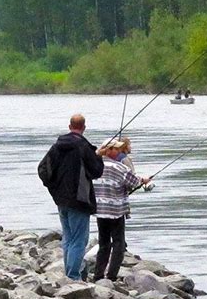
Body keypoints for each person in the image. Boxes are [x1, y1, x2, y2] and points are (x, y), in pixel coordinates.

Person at [38, 114, 104, 281]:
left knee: (68, 237)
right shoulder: (83, 147)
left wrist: (54, 188)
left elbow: (42, 169)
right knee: (79, 240)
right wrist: (98, 156)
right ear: (84, 127)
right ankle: (73, 276)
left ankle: (69, 274)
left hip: (61, 200)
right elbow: (97, 171)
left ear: (69, 126)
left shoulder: (56, 146)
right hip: (79, 200)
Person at [93, 138, 150, 282]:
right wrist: (145, 180)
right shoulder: (119, 168)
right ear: (109, 150)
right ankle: (111, 276)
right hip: (116, 211)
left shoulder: (94, 165)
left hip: (100, 209)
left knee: (103, 243)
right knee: (118, 243)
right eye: (116, 149)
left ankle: (98, 275)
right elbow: (134, 182)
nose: (119, 151)